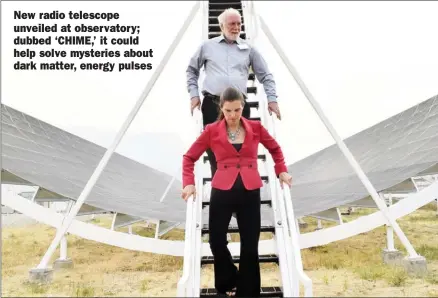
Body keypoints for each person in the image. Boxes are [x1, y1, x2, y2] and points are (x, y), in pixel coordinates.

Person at [181, 87, 292, 297]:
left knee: (250, 247)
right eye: (229, 110)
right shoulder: (211, 131)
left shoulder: (256, 127)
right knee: (215, 242)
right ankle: (229, 280)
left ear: (243, 107)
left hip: (250, 193)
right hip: (222, 191)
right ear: (221, 108)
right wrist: (189, 183)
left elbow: (275, 150)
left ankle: (247, 292)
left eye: (237, 110)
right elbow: (189, 157)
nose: (233, 115)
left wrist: (281, 171)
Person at [186, 7, 282, 178]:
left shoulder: (249, 49)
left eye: (239, 23)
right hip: (212, 105)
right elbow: (191, 70)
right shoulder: (207, 47)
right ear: (222, 26)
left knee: (239, 152)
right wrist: (194, 96)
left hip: (239, 107)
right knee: (215, 153)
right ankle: (219, 191)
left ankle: (240, 191)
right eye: (232, 24)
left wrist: (272, 99)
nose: (236, 27)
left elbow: (266, 76)